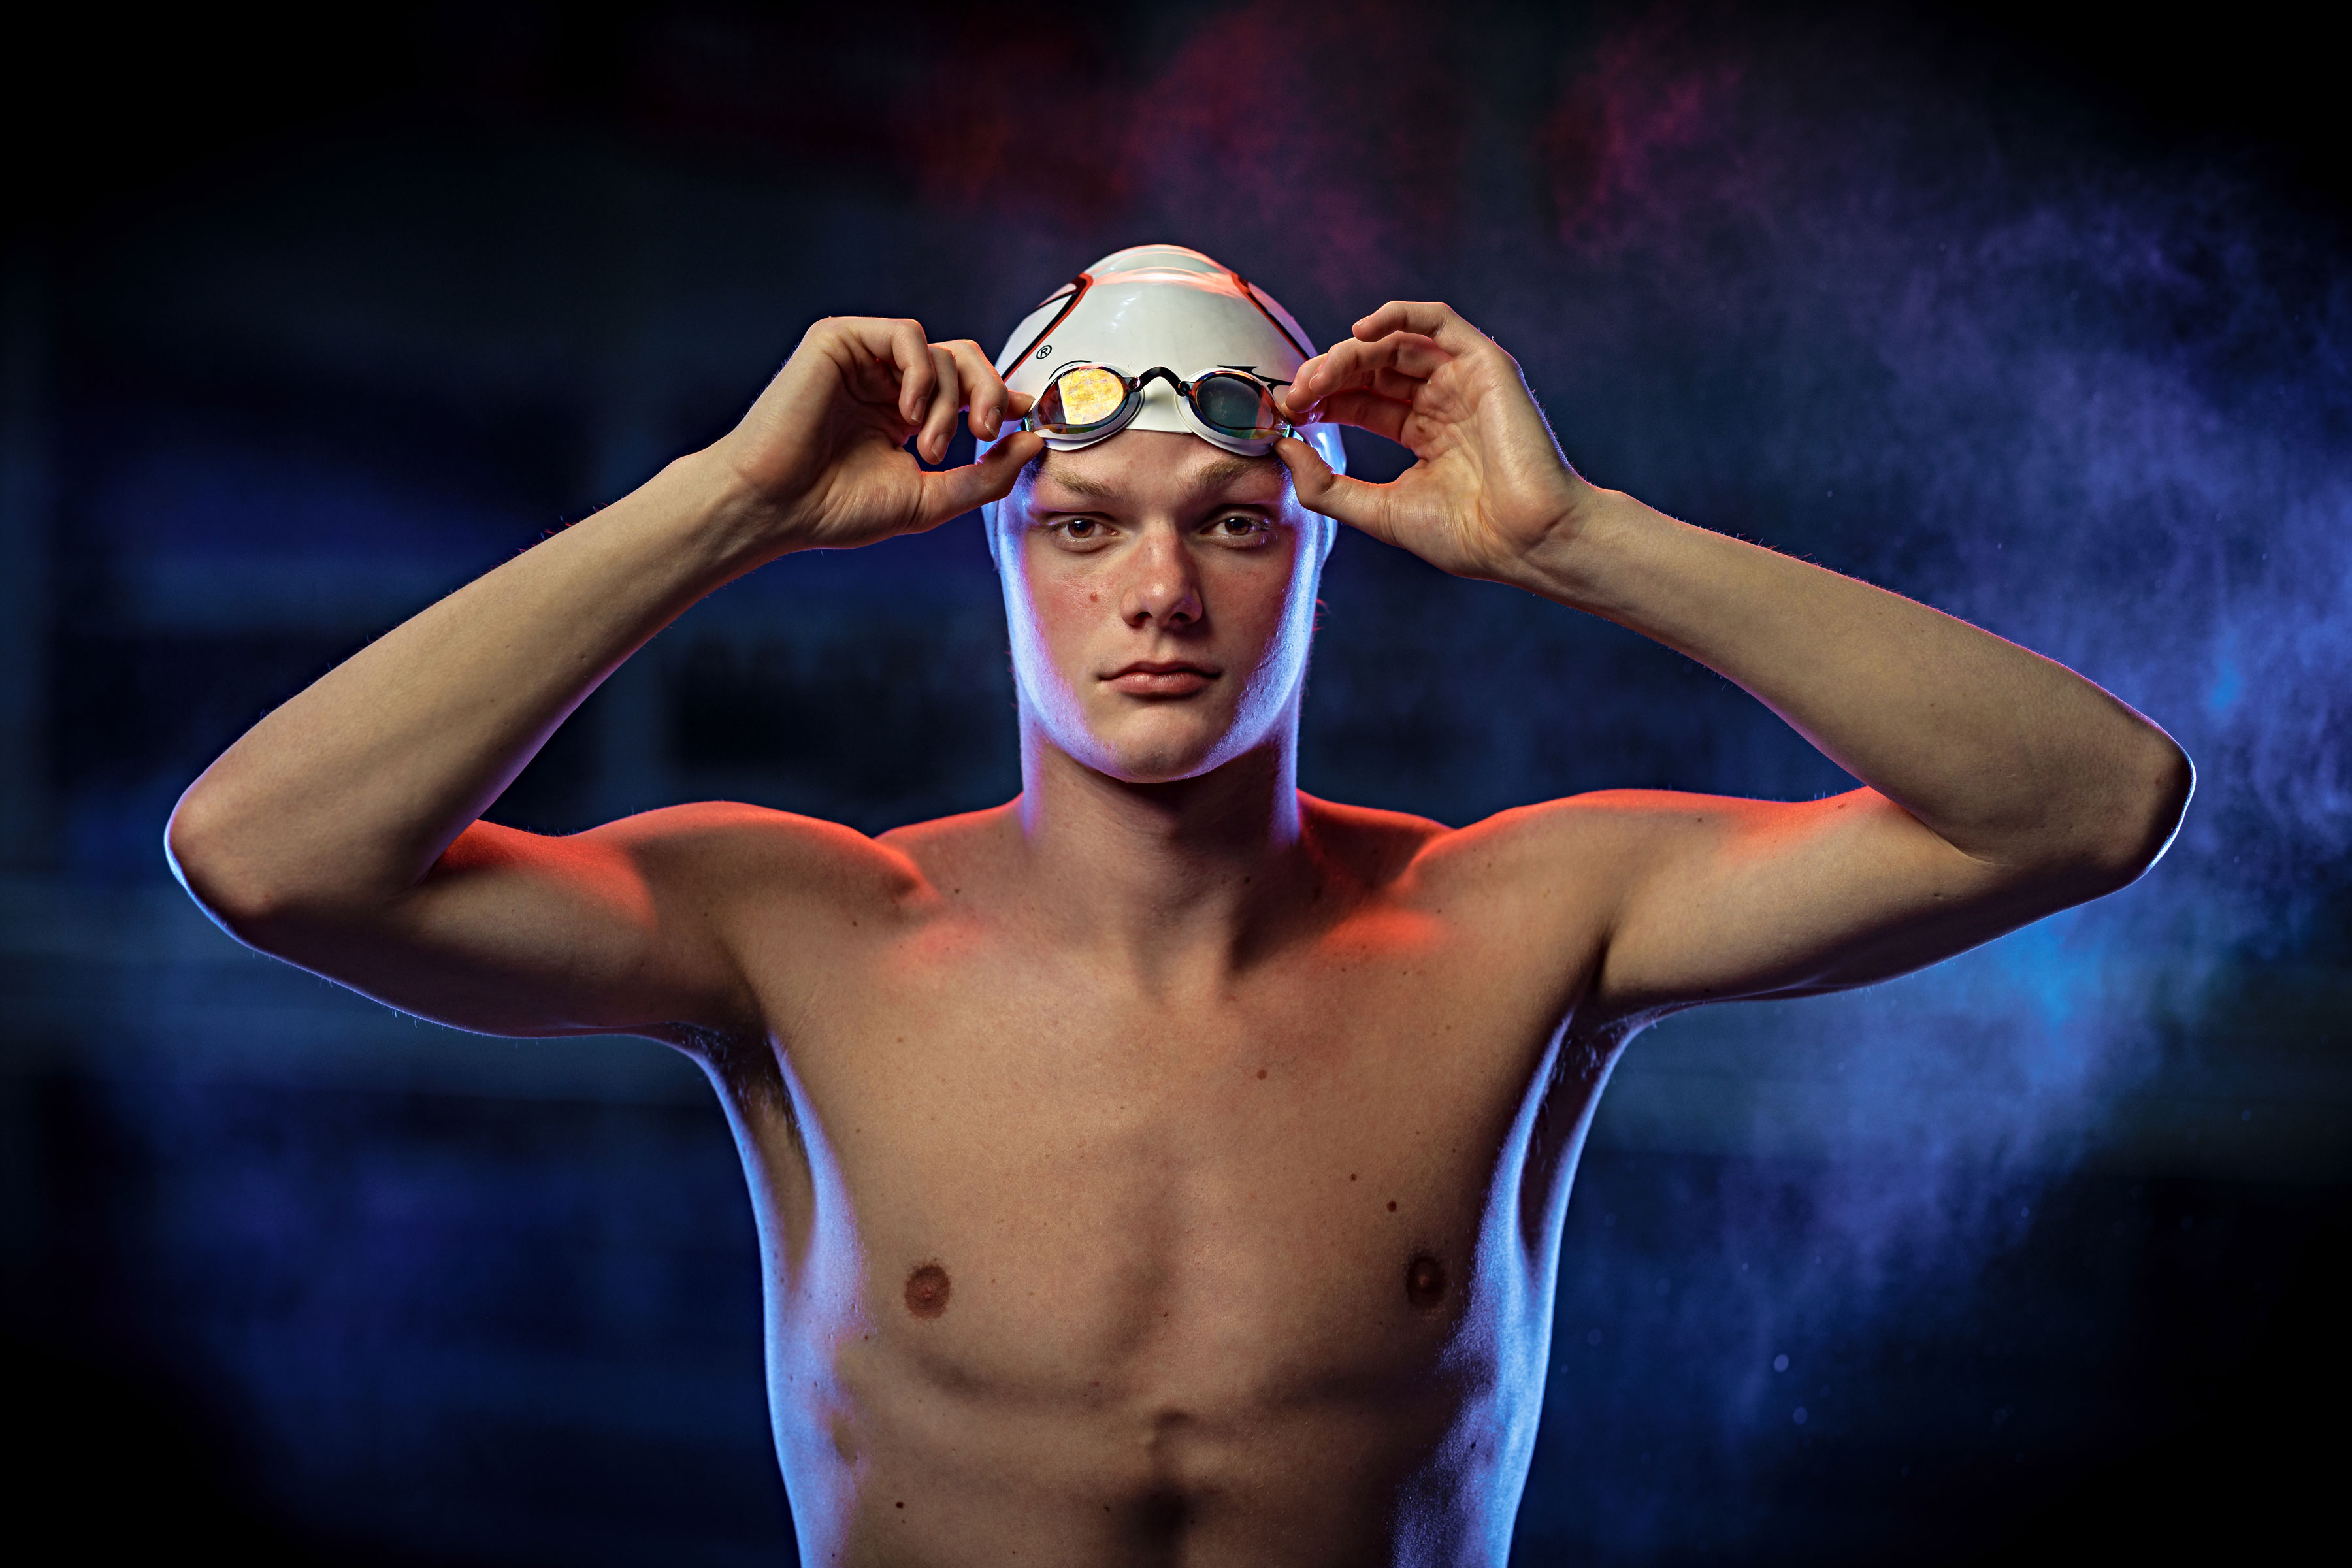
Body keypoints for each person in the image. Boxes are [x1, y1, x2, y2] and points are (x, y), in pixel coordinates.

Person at [167, 244, 2191, 1563]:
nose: (1158, 595)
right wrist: (734, 505)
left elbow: (2088, 806)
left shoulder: (1521, 928)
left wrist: (1581, 541)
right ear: (996, 553)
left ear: (1321, 552)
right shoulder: (798, 937)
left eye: (1232, 523)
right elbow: (267, 854)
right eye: (1081, 529)